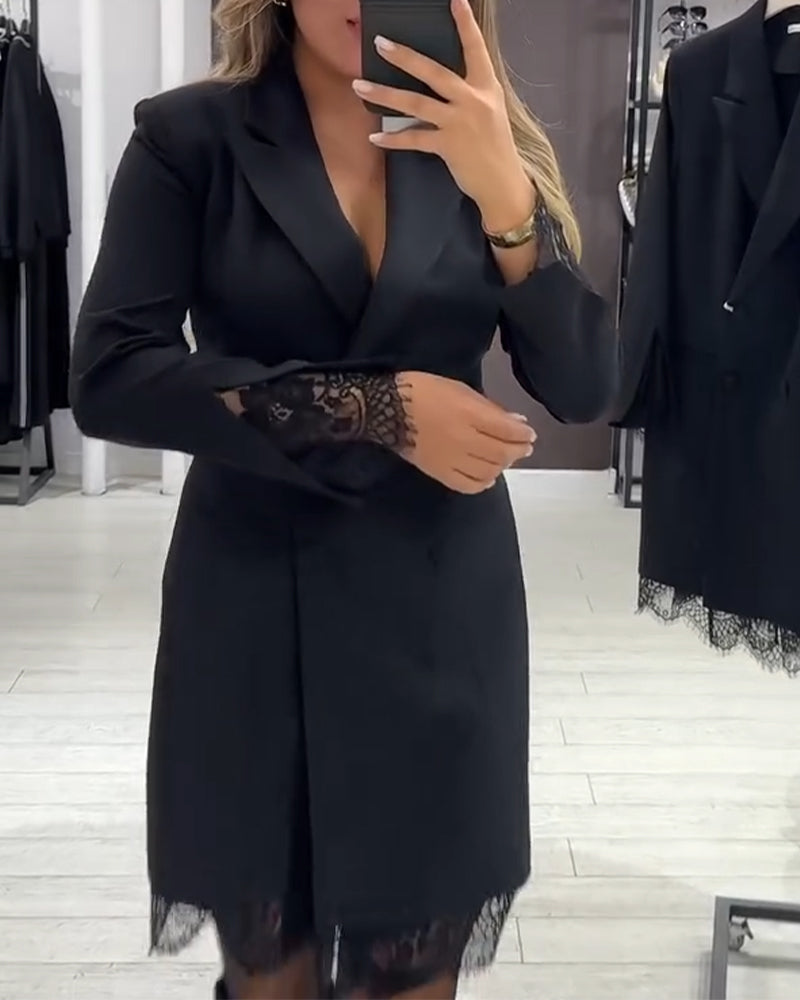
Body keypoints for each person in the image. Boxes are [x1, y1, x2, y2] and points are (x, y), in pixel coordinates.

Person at [69, 0, 617, 997]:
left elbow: (584, 388)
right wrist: (377, 410)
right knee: (268, 977)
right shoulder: (190, 138)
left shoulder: (484, 138)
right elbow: (111, 375)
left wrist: (505, 195)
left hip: (437, 617)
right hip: (250, 613)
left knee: (409, 979)